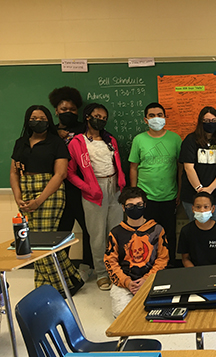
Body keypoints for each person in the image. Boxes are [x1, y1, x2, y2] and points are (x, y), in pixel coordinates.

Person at [10, 105, 84, 295]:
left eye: (42, 118)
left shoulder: (56, 142)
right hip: (26, 190)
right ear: (28, 121)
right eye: (34, 118)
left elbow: (60, 174)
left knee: (41, 241)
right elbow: (13, 172)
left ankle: (56, 285)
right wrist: (18, 196)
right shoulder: (21, 142)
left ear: (49, 120)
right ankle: (71, 278)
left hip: (50, 192)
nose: (38, 121)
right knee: (32, 239)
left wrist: (39, 200)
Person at [67, 103, 126, 291]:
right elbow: (70, 173)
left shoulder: (110, 140)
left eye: (103, 117)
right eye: (97, 116)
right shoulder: (77, 142)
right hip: (94, 191)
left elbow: (116, 163)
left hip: (114, 187)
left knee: (116, 232)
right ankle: (101, 273)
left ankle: (115, 270)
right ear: (87, 117)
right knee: (97, 235)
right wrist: (87, 188)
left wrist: (120, 183)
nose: (100, 120)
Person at [49, 86, 94, 280]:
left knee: (89, 228)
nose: (68, 113)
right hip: (58, 188)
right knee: (62, 230)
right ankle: (61, 268)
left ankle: (87, 266)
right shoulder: (48, 130)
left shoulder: (85, 129)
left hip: (81, 187)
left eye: (72, 110)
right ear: (56, 111)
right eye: (63, 109)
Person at [129, 102, 182, 266]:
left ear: (165, 117)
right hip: (146, 196)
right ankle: (148, 266)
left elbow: (180, 167)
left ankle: (169, 264)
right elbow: (133, 167)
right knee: (146, 234)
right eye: (152, 115)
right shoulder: (139, 139)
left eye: (159, 115)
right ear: (146, 120)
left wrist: (179, 191)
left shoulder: (175, 138)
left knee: (169, 235)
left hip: (169, 195)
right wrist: (135, 194)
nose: (156, 118)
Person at [104, 187, 169, 317]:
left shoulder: (157, 230)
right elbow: (111, 262)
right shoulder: (116, 233)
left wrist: (146, 279)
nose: (135, 208)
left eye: (139, 205)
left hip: (151, 279)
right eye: (130, 206)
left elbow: (163, 259)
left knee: (159, 311)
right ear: (123, 207)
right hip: (125, 282)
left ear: (145, 205)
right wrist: (127, 282)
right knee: (122, 314)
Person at [177, 192, 216, 318]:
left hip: (215, 275)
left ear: (212, 208)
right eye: (198, 207)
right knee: (188, 312)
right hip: (194, 274)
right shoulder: (186, 231)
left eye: (206, 207)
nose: (202, 210)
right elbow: (185, 259)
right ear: (193, 209)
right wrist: (197, 275)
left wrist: (212, 278)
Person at [179, 107, 216, 225]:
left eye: (213, 120)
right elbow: (188, 167)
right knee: (196, 232)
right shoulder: (191, 140)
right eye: (206, 121)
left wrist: (209, 189)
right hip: (193, 194)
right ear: (200, 122)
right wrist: (200, 189)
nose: (210, 123)